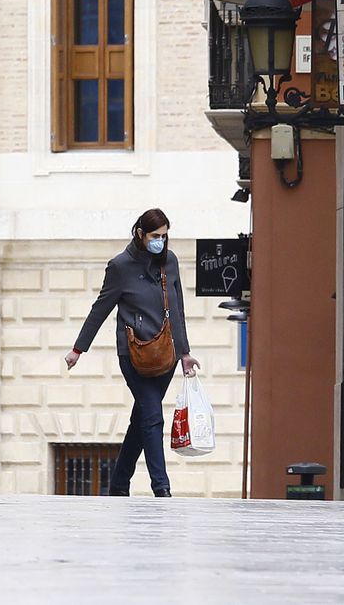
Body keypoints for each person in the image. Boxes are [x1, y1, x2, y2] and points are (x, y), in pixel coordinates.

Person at [65, 208, 198, 497]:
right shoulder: (120, 266)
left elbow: (177, 310)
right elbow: (100, 309)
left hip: (166, 355)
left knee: (142, 419)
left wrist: (185, 352)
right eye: (154, 236)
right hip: (134, 355)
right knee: (153, 418)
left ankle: (118, 483)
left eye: (164, 236)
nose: (160, 242)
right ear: (140, 234)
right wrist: (78, 349)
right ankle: (161, 488)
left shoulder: (170, 262)